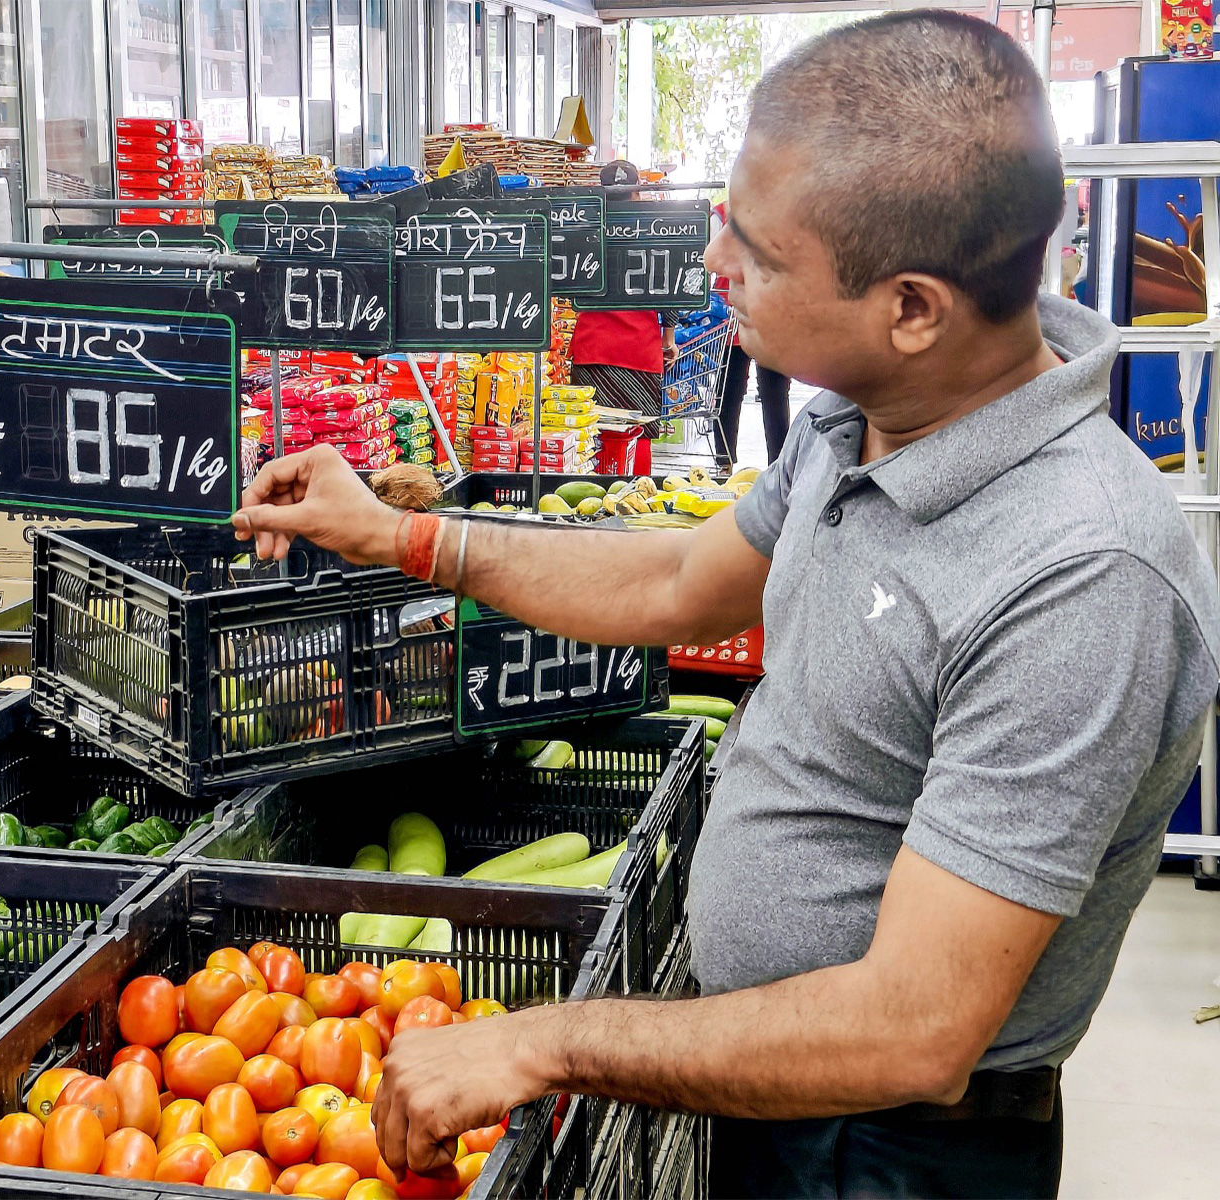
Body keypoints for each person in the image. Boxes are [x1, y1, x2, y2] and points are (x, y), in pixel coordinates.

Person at [231, 12, 1220, 1198]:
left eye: (755, 249)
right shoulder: (860, 418)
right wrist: (402, 534)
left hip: (894, 1147)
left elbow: (911, 1028)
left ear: (912, 308)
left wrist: (545, 1038)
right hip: (770, 1076)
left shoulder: (1082, 581)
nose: (712, 266)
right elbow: (672, 581)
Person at [567, 161, 680, 445]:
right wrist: (668, 339)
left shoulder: (584, 230)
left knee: (591, 439)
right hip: (639, 352)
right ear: (637, 194)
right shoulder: (656, 230)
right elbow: (671, 288)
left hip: (592, 349)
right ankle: (636, 490)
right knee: (637, 436)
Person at [710, 197, 794, 468]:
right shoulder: (779, 212)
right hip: (745, 313)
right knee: (758, 391)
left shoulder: (721, 213)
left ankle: (732, 460)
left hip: (740, 312)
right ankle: (773, 461)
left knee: (737, 391)